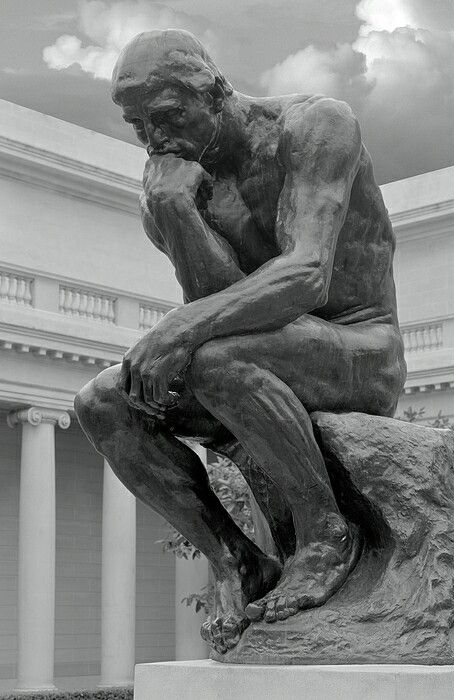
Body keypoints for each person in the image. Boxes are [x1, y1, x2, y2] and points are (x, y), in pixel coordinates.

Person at [75, 29, 406, 654]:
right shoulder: (171, 191)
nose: (156, 139)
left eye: (169, 116)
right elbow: (226, 298)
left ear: (215, 89)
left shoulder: (314, 128)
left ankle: (326, 533)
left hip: (360, 350)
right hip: (263, 354)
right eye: (138, 126)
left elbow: (307, 274)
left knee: (214, 355)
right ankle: (238, 560)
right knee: (102, 404)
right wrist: (177, 214)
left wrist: (179, 328)